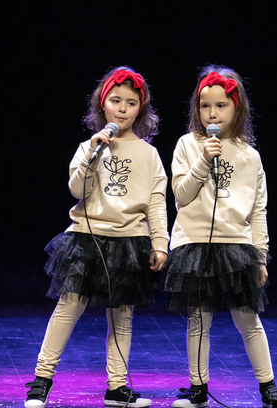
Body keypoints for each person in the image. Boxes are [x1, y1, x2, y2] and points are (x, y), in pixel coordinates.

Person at [23, 67, 168, 408]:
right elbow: (77, 189)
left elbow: (156, 201)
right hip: (88, 238)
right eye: (116, 101)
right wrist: (93, 154)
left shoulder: (149, 154)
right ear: (102, 104)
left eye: (131, 103)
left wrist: (160, 243)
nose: (122, 108)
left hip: (130, 241)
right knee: (68, 306)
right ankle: (42, 380)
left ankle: (117, 387)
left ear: (140, 109)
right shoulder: (88, 147)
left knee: (122, 316)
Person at [163, 66, 277, 408]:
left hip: (236, 247)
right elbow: (182, 195)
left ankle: (268, 386)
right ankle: (198, 388)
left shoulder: (249, 155)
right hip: (194, 244)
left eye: (221, 105)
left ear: (236, 107)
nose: (212, 113)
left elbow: (258, 210)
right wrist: (203, 160)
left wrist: (260, 255)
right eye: (205, 106)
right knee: (199, 320)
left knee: (248, 319)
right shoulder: (187, 145)